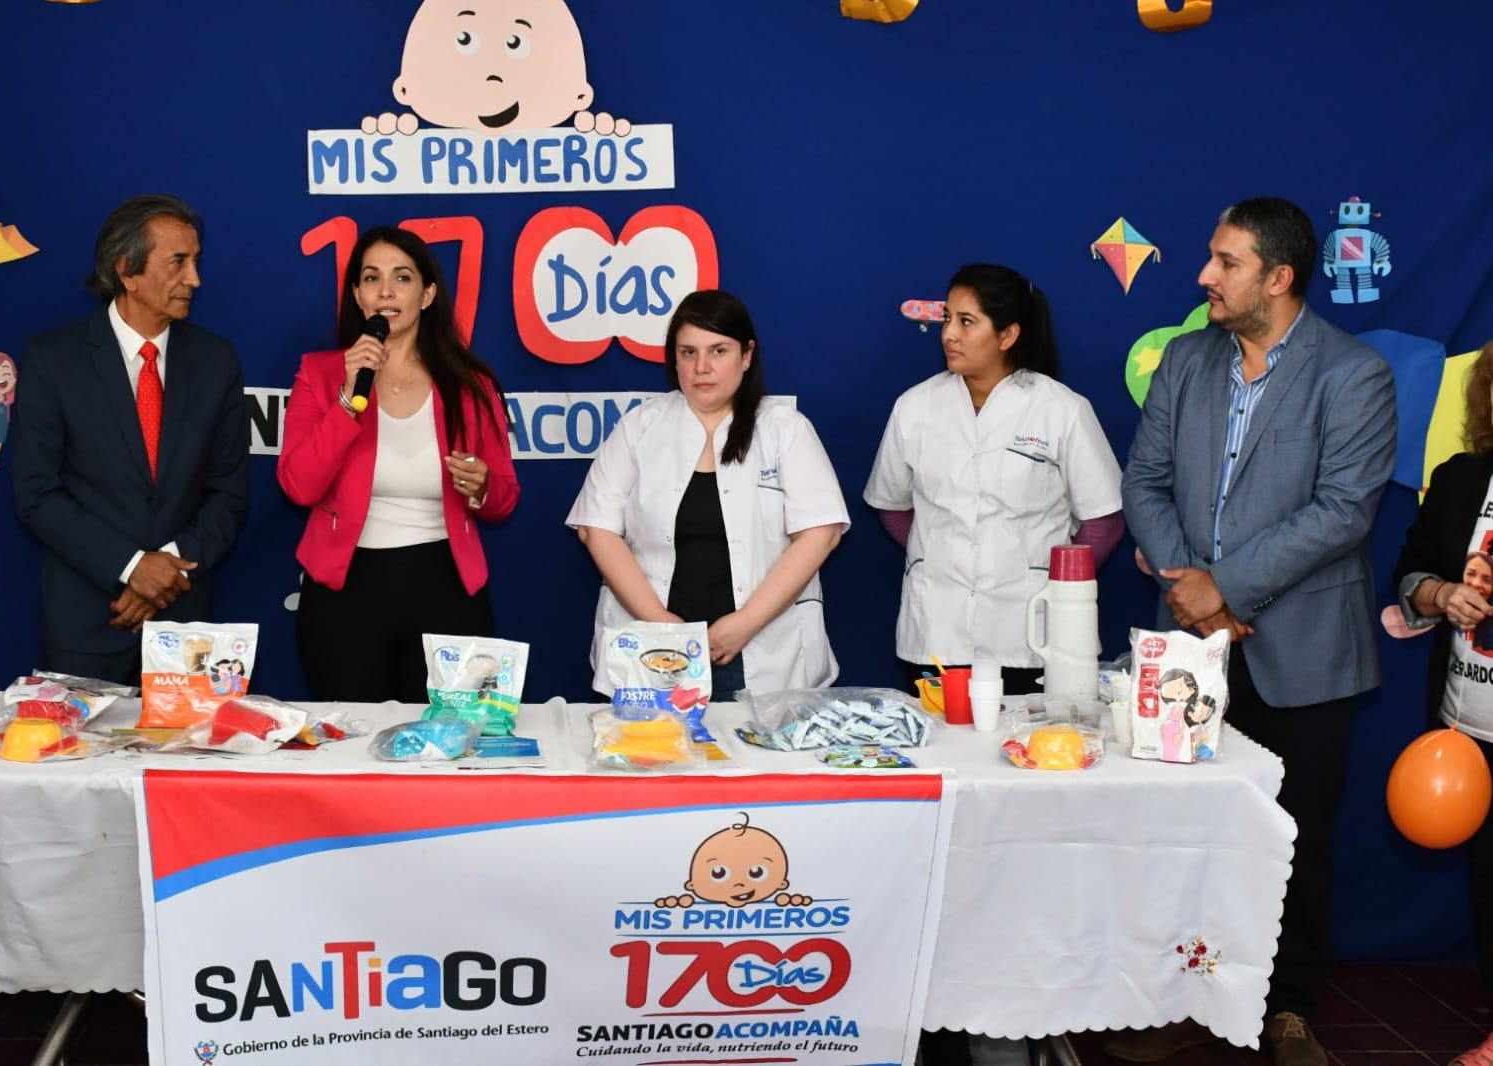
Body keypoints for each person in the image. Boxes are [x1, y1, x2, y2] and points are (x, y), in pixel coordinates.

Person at [1117, 197, 1398, 1066]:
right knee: (1182, 835)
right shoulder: (1185, 359)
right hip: (1189, 648)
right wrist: (1191, 591)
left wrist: (1226, 586)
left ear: (1277, 278)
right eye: (1210, 257)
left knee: (1293, 840)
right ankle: (1183, 1001)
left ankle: (1287, 1011)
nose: (1204, 275)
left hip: (1304, 655)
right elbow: (1144, 481)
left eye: (1225, 262)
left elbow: (1342, 511)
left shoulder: (1352, 373)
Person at [12, 194, 250, 685]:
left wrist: (165, 574)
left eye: (196, 261)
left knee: (187, 742)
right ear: (127, 270)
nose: (195, 279)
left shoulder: (216, 361)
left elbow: (228, 494)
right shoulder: (53, 359)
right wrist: (131, 567)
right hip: (88, 622)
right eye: (178, 262)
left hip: (185, 627)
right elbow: (37, 494)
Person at [566, 289, 848, 701]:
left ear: (746, 355)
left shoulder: (785, 429)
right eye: (688, 353)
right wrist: (661, 624)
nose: (702, 367)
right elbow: (597, 529)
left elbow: (821, 534)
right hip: (654, 646)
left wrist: (745, 624)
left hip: (761, 647)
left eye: (718, 350)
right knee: (652, 743)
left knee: (756, 744)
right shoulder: (639, 427)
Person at [278, 225, 517, 702]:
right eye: (372, 278)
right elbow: (298, 486)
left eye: (402, 278)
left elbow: (505, 497)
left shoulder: (470, 384)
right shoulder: (320, 374)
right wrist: (348, 398)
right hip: (345, 593)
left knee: (449, 739)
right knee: (351, 739)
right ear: (357, 294)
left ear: (427, 295)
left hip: (446, 586)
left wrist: (482, 487)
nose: (385, 291)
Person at [864, 263, 1125, 697]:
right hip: (937, 630)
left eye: (967, 321)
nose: (949, 334)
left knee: (1033, 739)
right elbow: (892, 506)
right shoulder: (915, 406)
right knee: (943, 739)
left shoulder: (1061, 409)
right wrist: (938, 555)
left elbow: (1104, 520)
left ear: (1007, 335)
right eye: (947, 318)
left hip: (1032, 634)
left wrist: (1058, 588)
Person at [1391, 339, 1493, 1066]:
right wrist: (1440, 592)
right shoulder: (1460, 477)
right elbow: (1410, 575)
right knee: (1489, 883)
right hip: (1467, 727)